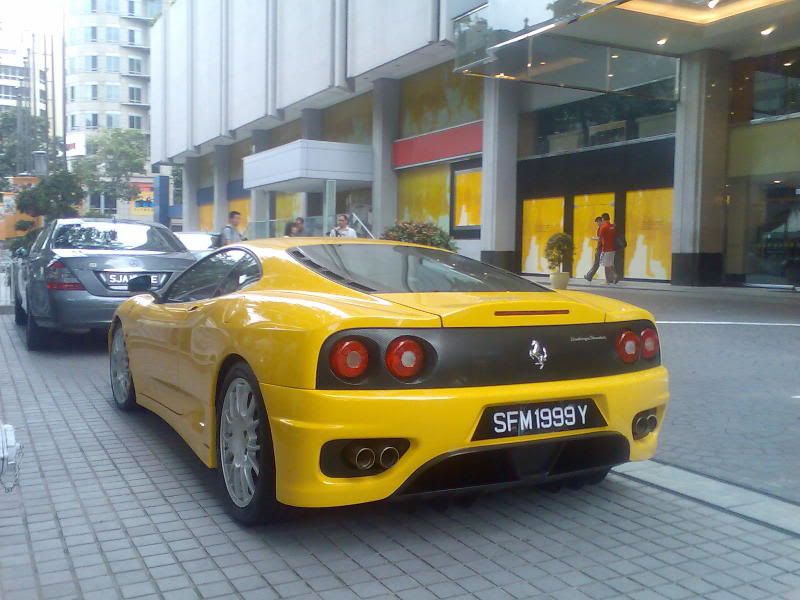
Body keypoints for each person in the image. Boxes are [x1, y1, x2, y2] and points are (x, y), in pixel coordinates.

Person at [598, 212, 618, 284]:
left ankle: (608, 280)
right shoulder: (612, 226)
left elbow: (600, 238)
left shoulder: (603, 227)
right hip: (613, 248)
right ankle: (613, 278)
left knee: (606, 265)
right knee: (611, 264)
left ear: (603, 218)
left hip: (606, 249)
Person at [584, 216, 603, 283]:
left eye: (598, 222)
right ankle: (589, 276)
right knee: (598, 264)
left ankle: (589, 276)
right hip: (600, 248)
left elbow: (601, 239)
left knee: (597, 263)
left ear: (601, 221)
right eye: (597, 222)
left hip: (601, 248)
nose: (597, 223)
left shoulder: (602, 228)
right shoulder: (600, 228)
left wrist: (594, 238)